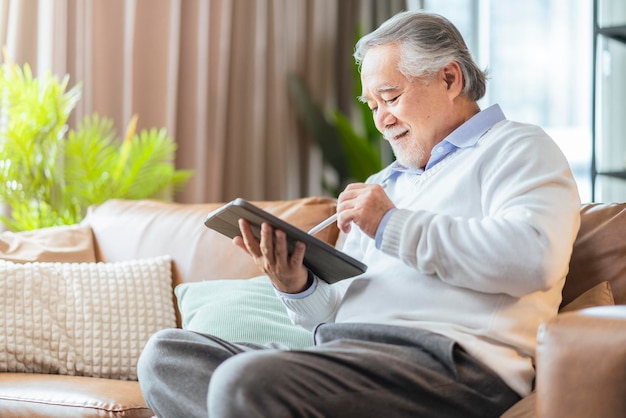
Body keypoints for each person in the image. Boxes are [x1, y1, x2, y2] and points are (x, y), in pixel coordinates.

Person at [137, 10, 581, 418]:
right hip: (348, 357)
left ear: (449, 79)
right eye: (372, 106)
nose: (381, 120)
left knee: (241, 382)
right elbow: (333, 317)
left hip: (452, 365)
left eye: (390, 97)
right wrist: (298, 286)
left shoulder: (518, 148)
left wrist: (391, 224)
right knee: (168, 357)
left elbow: (533, 258)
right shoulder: (385, 183)